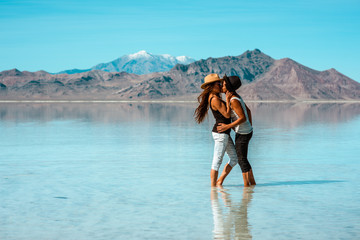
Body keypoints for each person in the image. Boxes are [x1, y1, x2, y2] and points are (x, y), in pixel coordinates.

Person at [194, 73, 238, 187]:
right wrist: (228, 100)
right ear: (212, 86)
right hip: (221, 133)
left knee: (234, 158)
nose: (220, 85)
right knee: (217, 162)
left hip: (224, 132)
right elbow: (227, 115)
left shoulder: (215, 97)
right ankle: (213, 188)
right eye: (218, 83)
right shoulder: (214, 99)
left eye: (220, 83)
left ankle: (219, 182)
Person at [217, 75, 256, 187]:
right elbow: (248, 111)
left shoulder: (234, 100)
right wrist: (249, 126)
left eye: (224, 85)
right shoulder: (235, 97)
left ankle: (246, 186)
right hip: (246, 131)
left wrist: (228, 126)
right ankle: (252, 182)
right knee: (243, 158)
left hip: (243, 133)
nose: (222, 87)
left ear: (229, 87)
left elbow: (243, 117)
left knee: (241, 159)